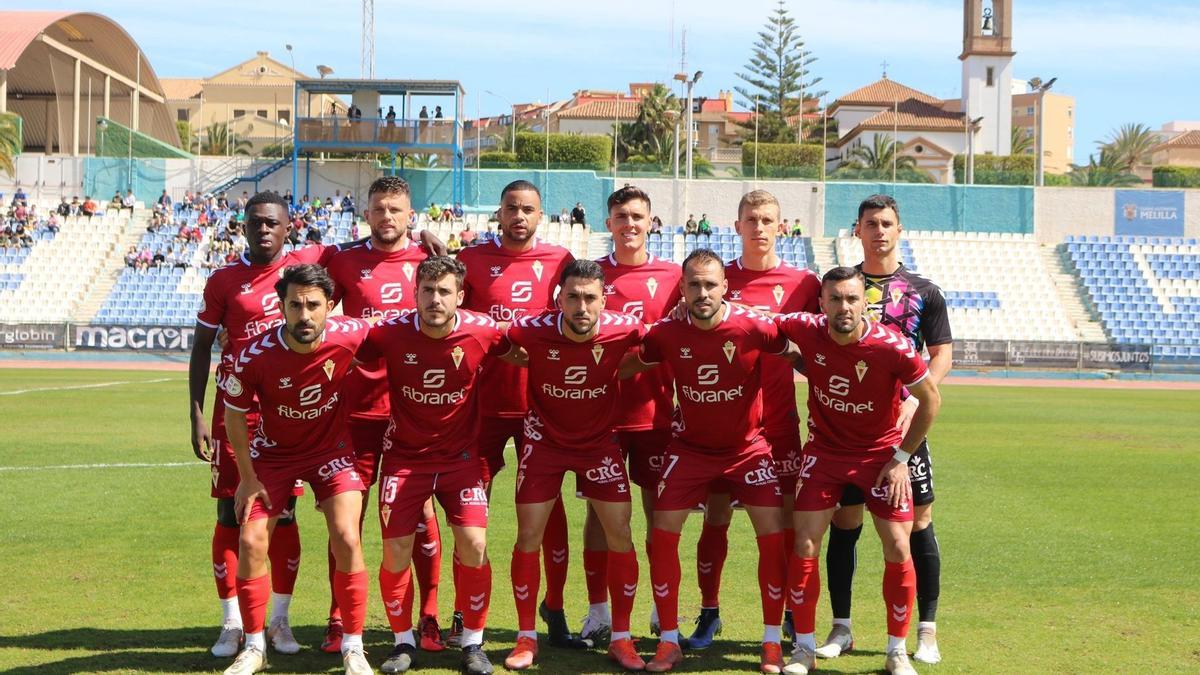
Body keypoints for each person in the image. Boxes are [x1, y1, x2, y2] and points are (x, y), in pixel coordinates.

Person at [622, 249, 798, 674]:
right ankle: (668, 641)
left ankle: (772, 641)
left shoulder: (754, 326)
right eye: (694, 285)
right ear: (681, 289)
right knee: (661, 534)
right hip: (690, 450)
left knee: (773, 537)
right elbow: (623, 365)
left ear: (725, 288)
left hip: (748, 450)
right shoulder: (666, 333)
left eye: (710, 284)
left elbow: (798, 351)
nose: (702, 292)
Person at [190, 192, 340, 660]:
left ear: (288, 225)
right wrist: (195, 411)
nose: (264, 230)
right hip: (234, 412)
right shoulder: (224, 281)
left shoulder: (307, 262)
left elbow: (365, 249)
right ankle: (232, 622)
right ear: (244, 226)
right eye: (255, 222)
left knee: (285, 513)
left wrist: (420, 238)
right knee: (230, 515)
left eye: (272, 222)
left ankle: (279, 619)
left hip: (285, 412)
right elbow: (201, 348)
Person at [774, 265, 942, 675]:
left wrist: (901, 460)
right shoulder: (806, 327)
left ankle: (896, 651)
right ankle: (805, 650)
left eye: (852, 298)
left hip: (879, 457)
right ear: (822, 303)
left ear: (863, 300)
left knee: (899, 547)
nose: (844, 306)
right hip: (825, 454)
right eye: (835, 299)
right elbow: (761, 318)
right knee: (805, 544)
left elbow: (930, 400)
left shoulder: (893, 346)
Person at [815, 196, 952, 666]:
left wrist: (914, 403)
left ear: (900, 229)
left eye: (886, 223)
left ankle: (926, 630)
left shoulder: (924, 292)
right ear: (857, 229)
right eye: (870, 224)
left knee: (917, 524)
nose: (878, 231)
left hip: (904, 429)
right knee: (844, 521)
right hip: (847, 432)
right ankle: (842, 626)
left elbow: (941, 354)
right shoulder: (841, 285)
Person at [682, 190, 821, 649]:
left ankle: (782, 615)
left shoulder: (804, 284)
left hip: (780, 423)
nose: (759, 227)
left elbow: (821, 349)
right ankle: (709, 612)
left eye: (767, 220)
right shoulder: (715, 279)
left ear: (781, 226)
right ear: (737, 225)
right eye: (751, 219)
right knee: (716, 516)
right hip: (725, 427)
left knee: (781, 523)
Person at [220, 264, 374, 675]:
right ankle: (254, 646)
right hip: (273, 456)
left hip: (332, 453)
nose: (304, 315)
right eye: (295, 305)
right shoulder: (253, 354)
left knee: (346, 535)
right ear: (281, 306)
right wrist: (247, 477)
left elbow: (398, 332)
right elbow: (234, 415)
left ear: (330, 307)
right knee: (252, 541)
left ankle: (354, 646)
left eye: (313, 305)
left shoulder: (352, 334)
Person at [360, 256, 510, 675]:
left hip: (461, 460)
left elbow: (527, 350)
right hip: (405, 461)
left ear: (460, 296)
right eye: (427, 290)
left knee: (475, 545)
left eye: (444, 291)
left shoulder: (481, 331)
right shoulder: (390, 333)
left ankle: (473, 644)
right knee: (396, 552)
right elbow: (344, 344)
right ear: (415, 294)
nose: (435, 299)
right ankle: (402, 642)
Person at [502, 260, 646, 672]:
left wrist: (616, 371)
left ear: (604, 299)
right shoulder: (532, 329)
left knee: (620, 533)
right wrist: (536, 364)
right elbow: (500, 345)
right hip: (543, 444)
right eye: (573, 297)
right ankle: (526, 637)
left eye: (590, 297)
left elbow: (654, 351)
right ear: (558, 298)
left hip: (599, 445)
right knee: (528, 535)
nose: (581, 306)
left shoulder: (625, 328)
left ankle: (621, 638)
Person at [325, 176, 446, 655]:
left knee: (420, 517)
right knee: (344, 521)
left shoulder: (428, 263)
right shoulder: (345, 261)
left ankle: (430, 616)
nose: (387, 217)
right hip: (355, 412)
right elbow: (311, 310)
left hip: (413, 415)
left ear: (410, 215)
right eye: (379, 209)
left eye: (396, 209)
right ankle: (339, 617)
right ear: (367, 214)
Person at [455, 180, 578, 648]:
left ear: (539, 216)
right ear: (499, 213)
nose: (520, 216)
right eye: (512, 208)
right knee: (469, 512)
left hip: (540, 408)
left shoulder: (559, 263)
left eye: (528, 209)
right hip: (480, 406)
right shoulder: (470, 261)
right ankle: (463, 610)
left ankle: (556, 607)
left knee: (551, 514)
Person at [583, 186, 681, 644]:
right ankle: (599, 612)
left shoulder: (673, 275)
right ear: (609, 223)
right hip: (599, 418)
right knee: (600, 518)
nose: (630, 223)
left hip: (656, 415)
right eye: (621, 215)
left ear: (651, 222)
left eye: (638, 216)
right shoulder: (587, 277)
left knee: (659, 516)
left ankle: (663, 612)